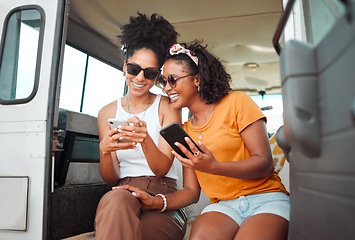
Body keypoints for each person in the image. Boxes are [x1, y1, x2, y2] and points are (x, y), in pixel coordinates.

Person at [121, 41, 290, 240]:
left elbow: (264, 163)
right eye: (163, 81)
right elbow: (192, 192)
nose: (167, 88)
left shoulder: (237, 102)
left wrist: (214, 167)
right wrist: (155, 201)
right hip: (224, 206)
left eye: (173, 80)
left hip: (267, 199)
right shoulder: (183, 132)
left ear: (197, 79)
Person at [94, 13, 200, 240]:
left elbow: (162, 168)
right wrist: (104, 152)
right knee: (114, 200)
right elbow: (111, 178)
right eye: (134, 69)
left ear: (156, 77)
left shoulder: (167, 107)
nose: (140, 78)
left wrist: (145, 139)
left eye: (150, 73)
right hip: (122, 191)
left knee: (144, 233)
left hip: (163, 194)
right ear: (124, 67)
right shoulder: (106, 113)